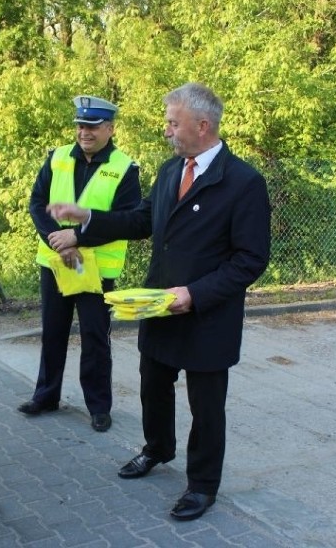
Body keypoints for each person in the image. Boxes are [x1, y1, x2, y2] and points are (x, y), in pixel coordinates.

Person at [47, 83, 271, 521]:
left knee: (206, 405)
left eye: (173, 122)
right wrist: (87, 218)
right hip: (158, 307)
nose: (166, 129)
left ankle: (202, 485)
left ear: (202, 125)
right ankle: (157, 449)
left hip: (207, 314)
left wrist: (195, 294)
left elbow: (250, 260)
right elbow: (141, 220)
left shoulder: (244, 182)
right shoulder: (171, 170)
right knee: (153, 384)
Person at [19, 95, 143, 432]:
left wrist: (78, 237)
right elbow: (37, 203)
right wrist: (56, 240)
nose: (84, 132)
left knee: (95, 338)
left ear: (110, 128)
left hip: (97, 269)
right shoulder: (57, 157)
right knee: (53, 332)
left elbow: (128, 221)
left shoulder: (124, 167)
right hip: (57, 263)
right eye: (80, 125)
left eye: (92, 126)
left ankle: (99, 407)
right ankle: (46, 396)